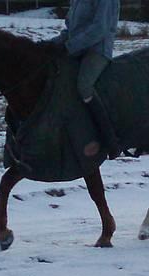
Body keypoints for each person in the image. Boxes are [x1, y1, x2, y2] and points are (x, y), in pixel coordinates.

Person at [52, 0, 121, 159]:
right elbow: (70, 30)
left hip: (98, 50)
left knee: (84, 85)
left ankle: (110, 140)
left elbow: (99, 29)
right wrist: (49, 45)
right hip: (77, 48)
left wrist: (69, 46)